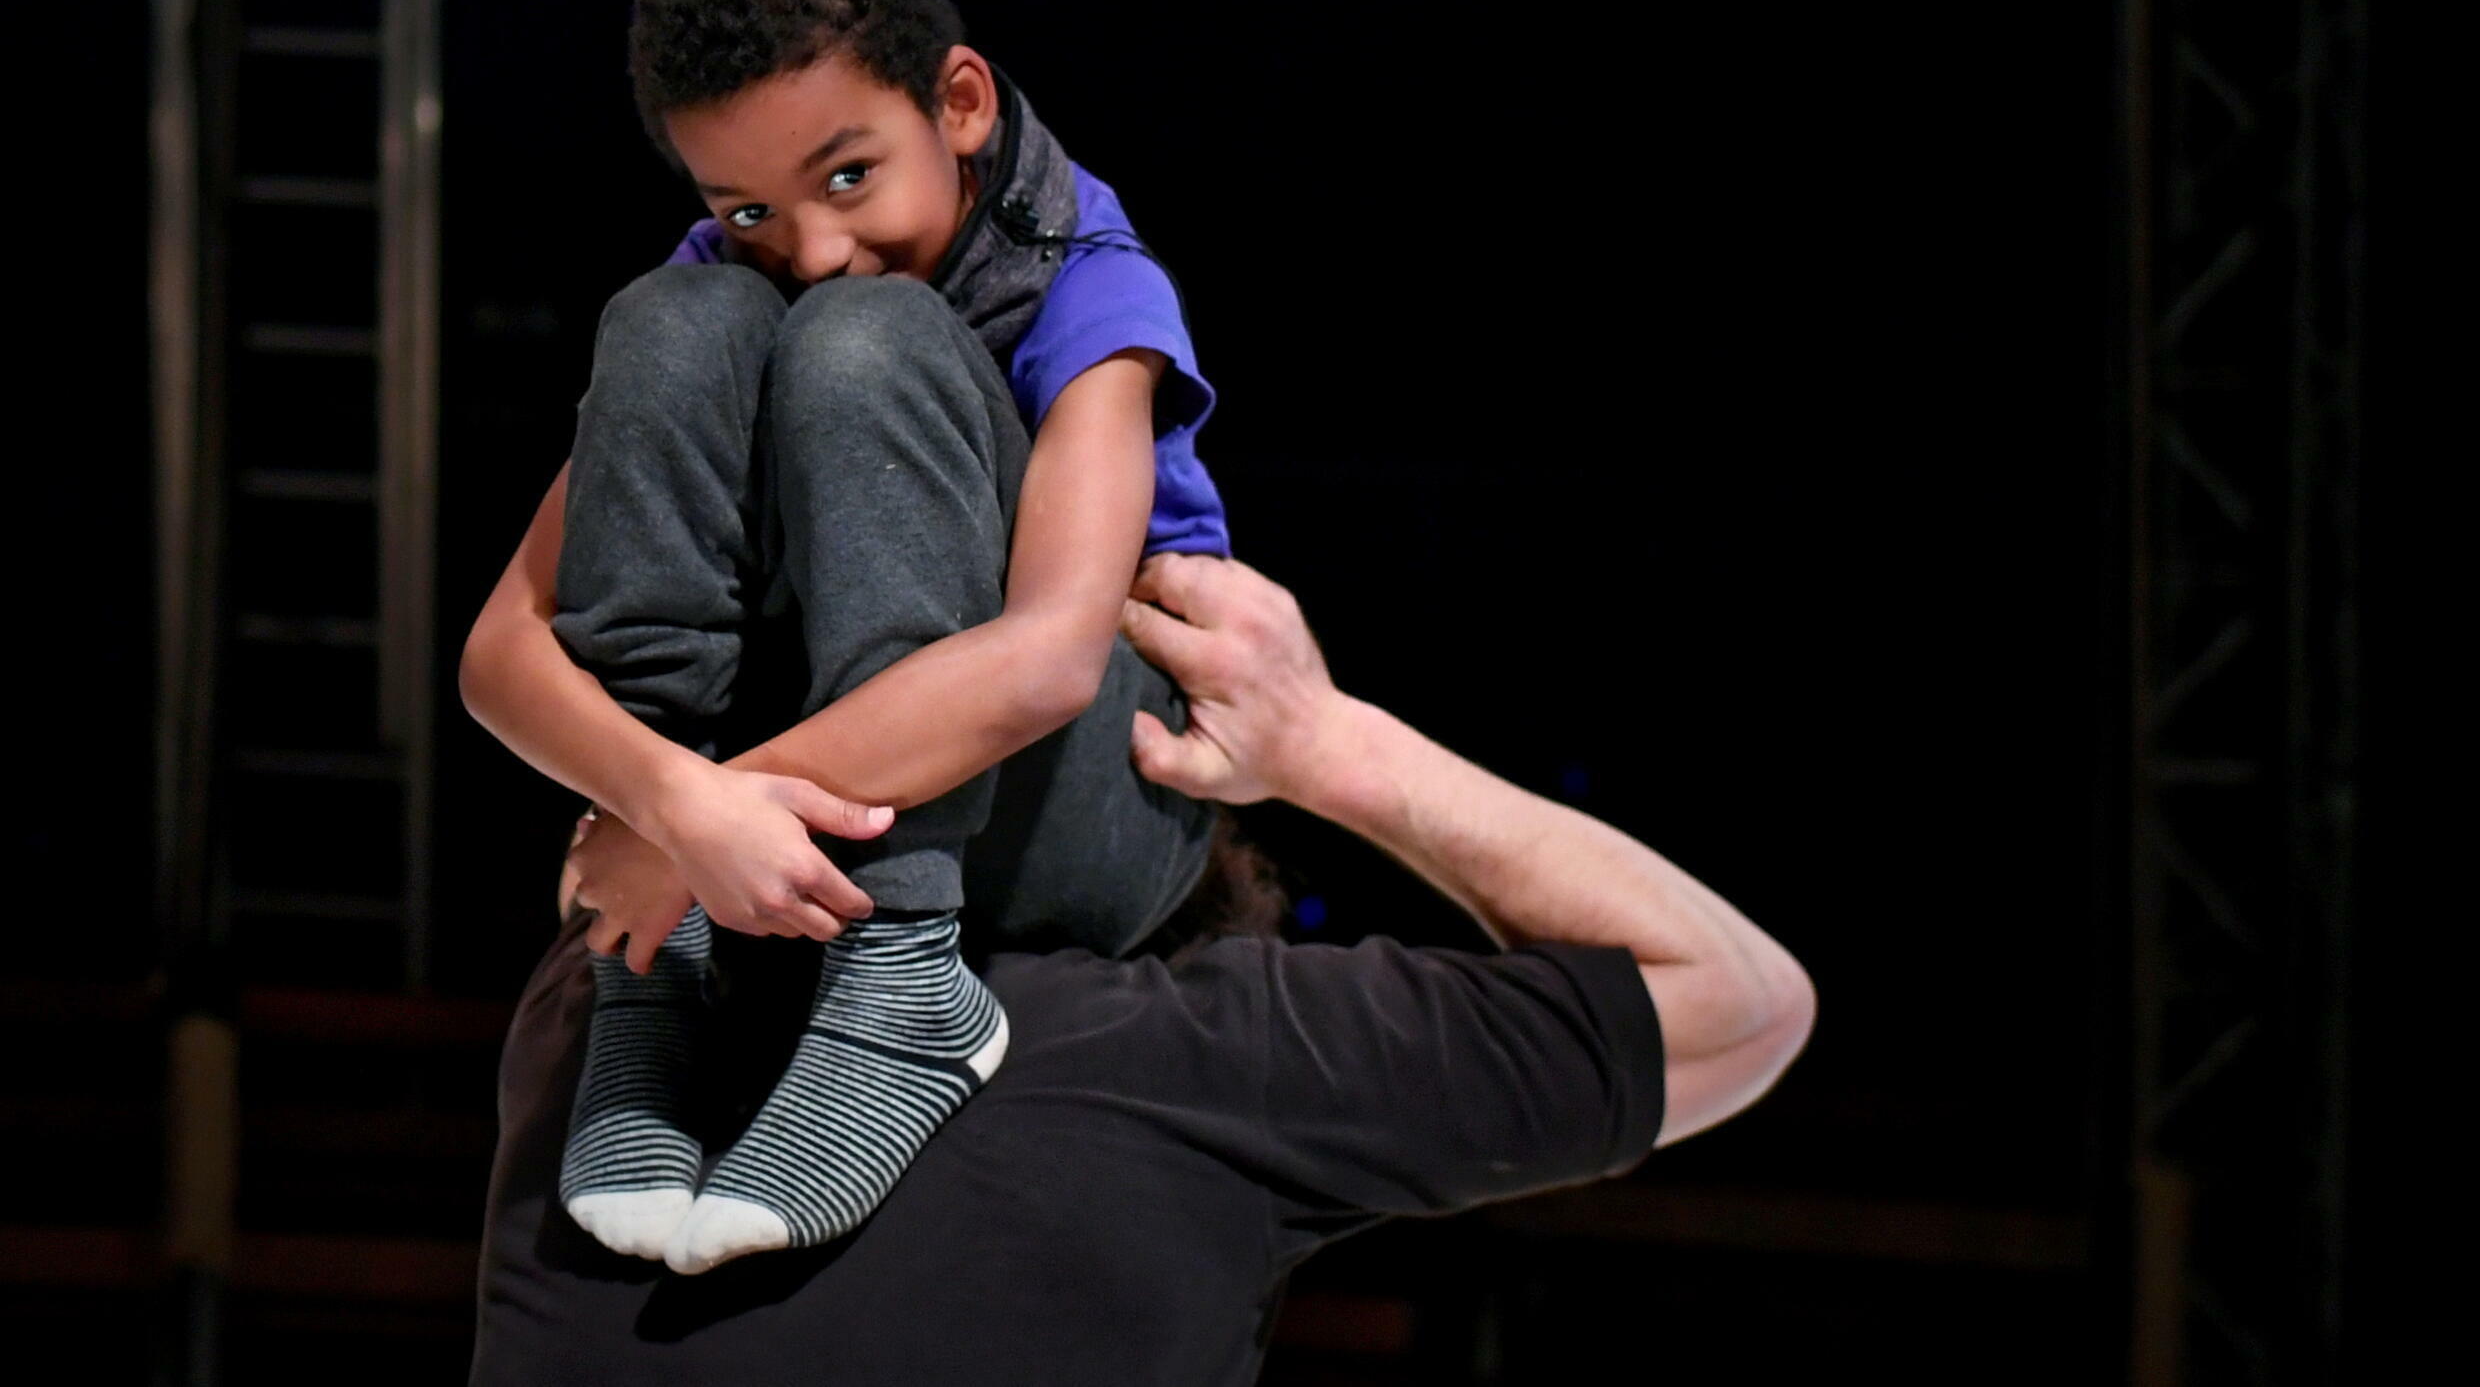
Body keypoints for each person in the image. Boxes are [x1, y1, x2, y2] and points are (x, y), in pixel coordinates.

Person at [468, 551, 1815, 1385]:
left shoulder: (605, 1007)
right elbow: (1738, 1003)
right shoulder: (1211, 1063)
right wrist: (1328, 744)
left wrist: (709, 799)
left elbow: (611, 814)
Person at [457, 0, 1231, 1275]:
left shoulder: (1090, 287)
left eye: (849, 175)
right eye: (749, 202)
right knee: (671, 321)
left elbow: (1055, 655)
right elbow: (498, 656)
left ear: (962, 104)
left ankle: (906, 984)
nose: (810, 244)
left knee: (862, 338)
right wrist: (670, 797)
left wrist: (690, 828)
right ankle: (658, 984)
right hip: (812, 782)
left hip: (1100, 793)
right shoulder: (732, 276)